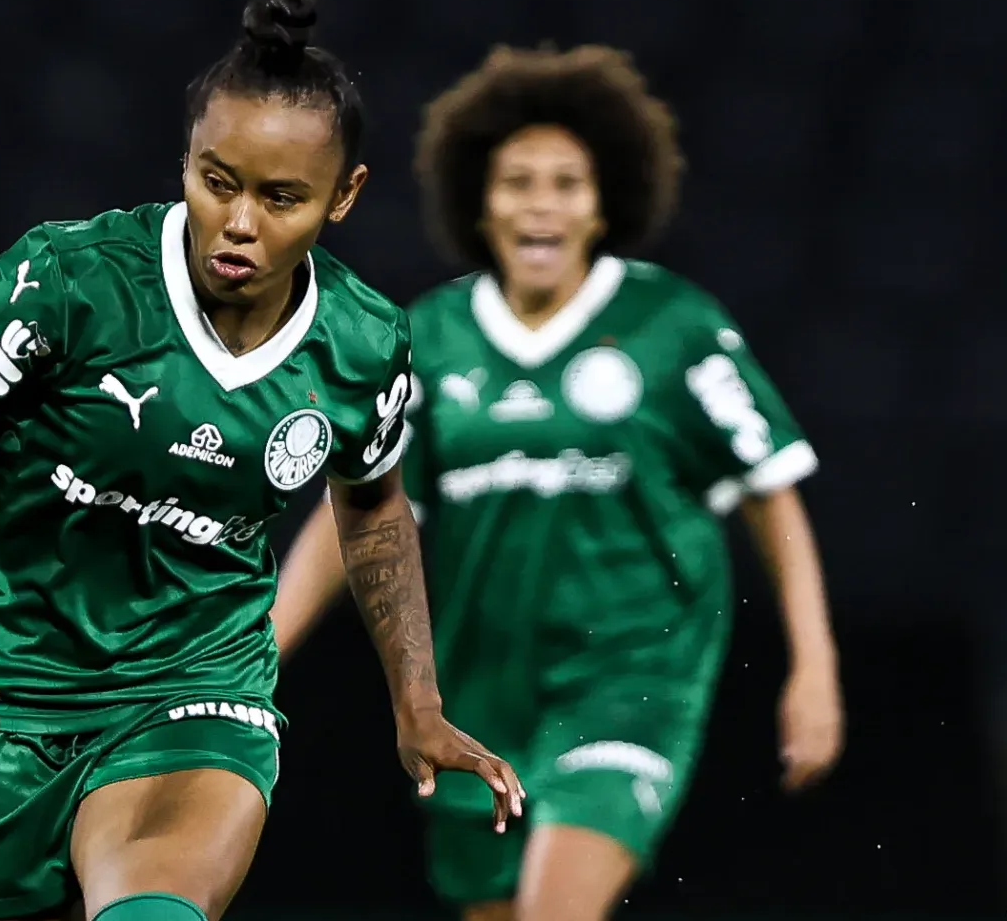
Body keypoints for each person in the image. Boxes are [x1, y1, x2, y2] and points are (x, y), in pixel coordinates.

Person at [0, 0, 525, 921]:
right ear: (187, 163)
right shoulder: (70, 283)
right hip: (5, 682)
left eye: (282, 198)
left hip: (198, 679)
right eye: (219, 182)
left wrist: (417, 701)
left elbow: (371, 504)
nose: (241, 223)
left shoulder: (365, 344)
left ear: (345, 196)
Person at [271, 45, 844, 921]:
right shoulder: (431, 338)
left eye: (567, 183)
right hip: (477, 693)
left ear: (604, 201)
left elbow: (771, 493)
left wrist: (815, 667)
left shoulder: (672, 328)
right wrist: (261, 646)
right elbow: (360, 510)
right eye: (518, 182)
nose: (542, 204)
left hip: (630, 679)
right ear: (481, 201)